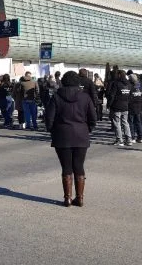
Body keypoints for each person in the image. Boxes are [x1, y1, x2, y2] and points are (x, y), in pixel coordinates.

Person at [45, 71, 97, 207]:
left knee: (66, 167)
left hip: (62, 136)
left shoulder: (56, 97)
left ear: (63, 81)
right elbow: (93, 118)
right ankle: (79, 198)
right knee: (79, 166)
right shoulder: (85, 97)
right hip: (81, 135)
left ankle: (67, 198)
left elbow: (49, 119)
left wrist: (53, 131)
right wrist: (87, 130)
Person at [108, 70, 133, 146]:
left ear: (119, 75)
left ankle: (119, 140)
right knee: (125, 122)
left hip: (117, 105)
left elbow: (112, 95)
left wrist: (109, 105)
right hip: (125, 106)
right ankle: (129, 139)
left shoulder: (116, 83)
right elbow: (130, 95)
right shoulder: (129, 84)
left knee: (117, 123)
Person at [128, 74, 142, 143]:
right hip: (139, 106)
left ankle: (132, 137)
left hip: (131, 106)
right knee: (139, 122)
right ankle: (141, 137)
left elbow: (128, 96)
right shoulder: (140, 85)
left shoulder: (130, 86)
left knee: (131, 122)